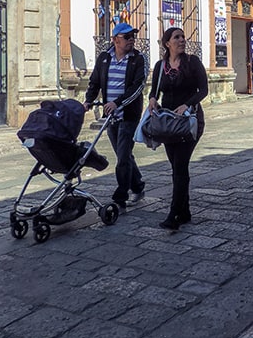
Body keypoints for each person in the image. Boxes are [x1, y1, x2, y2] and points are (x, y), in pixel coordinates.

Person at [148, 27, 209, 229]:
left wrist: (188, 104)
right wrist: (152, 100)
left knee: (181, 165)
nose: (182, 40)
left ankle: (174, 214)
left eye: (183, 36)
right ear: (167, 43)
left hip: (189, 121)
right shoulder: (160, 65)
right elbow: (154, 90)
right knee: (176, 166)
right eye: (177, 37)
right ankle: (185, 211)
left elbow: (204, 90)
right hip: (168, 123)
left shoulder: (192, 62)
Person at [84, 22, 147, 209]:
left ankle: (120, 196)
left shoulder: (138, 59)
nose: (131, 40)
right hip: (110, 116)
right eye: (127, 37)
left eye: (133, 37)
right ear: (115, 40)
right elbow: (94, 81)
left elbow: (137, 87)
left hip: (129, 115)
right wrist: (88, 100)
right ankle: (138, 185)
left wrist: (117, 103)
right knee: (124, 154)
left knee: (123, 156)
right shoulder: (104, 58)